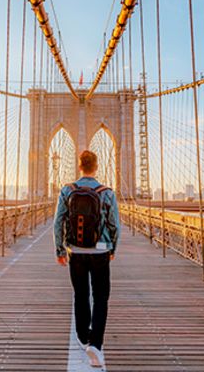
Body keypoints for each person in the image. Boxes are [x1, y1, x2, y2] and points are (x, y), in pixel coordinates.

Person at [54, 150, 120, 368]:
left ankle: (84, 338)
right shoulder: (107, 192)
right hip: (100, 251)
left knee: (81, 295)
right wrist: (112, 248)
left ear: (79, 166)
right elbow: (114, 226)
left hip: (76, 252)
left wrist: (60, 251)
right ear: (96, 167)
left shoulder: (67, 190)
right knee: (101, 297)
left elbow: (58, 222)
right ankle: (96, 345)